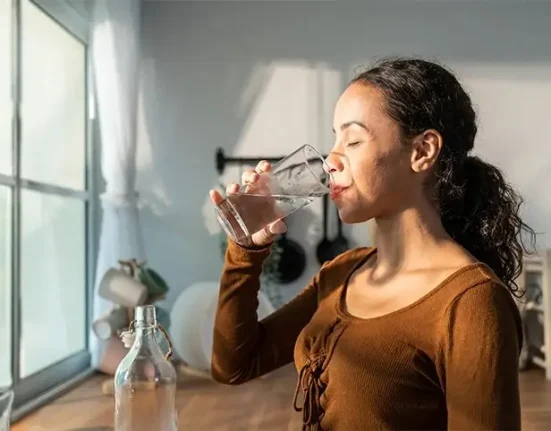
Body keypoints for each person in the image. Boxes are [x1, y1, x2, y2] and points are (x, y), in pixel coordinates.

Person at [208, 57, 536, 430]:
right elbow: (233, 364)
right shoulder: (343, 273)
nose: (331, 160)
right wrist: (246, 250)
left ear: (422, 151)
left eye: (353, 140)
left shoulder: (471, 303)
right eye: (334, 138)